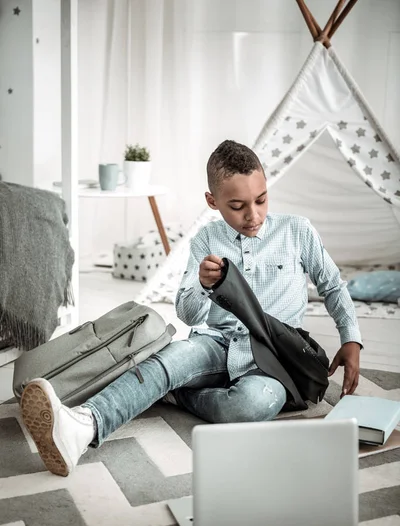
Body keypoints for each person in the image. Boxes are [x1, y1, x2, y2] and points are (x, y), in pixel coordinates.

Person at [20, 140, 362, 477]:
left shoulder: (297, 231)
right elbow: (187, 314)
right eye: (238, 205)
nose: (253, 214)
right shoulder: (206, 241)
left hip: (273, 359)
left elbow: (332, 285)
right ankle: (83, 425)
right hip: (216, 343)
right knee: (167, 361)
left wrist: (351, 339)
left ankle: (174, 395)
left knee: (251, 405)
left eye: (261, 200)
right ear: (212, 202)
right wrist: (203, 284)